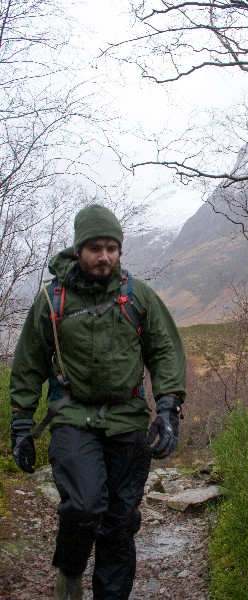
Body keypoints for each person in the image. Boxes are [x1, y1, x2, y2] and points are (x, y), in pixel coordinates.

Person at [9, 204, 186, 600]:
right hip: (72, 415)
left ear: (119, 251)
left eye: (111, 248)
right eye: (95, 248)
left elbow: (165, 352)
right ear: (78, 251)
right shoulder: (52, 300)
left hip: (127, 419)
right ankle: (71, 569)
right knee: (85, 507)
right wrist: (21, 424)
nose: (104, 256)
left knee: (121, 523)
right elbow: (28, 363)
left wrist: (169, 408)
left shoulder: (137, 296)